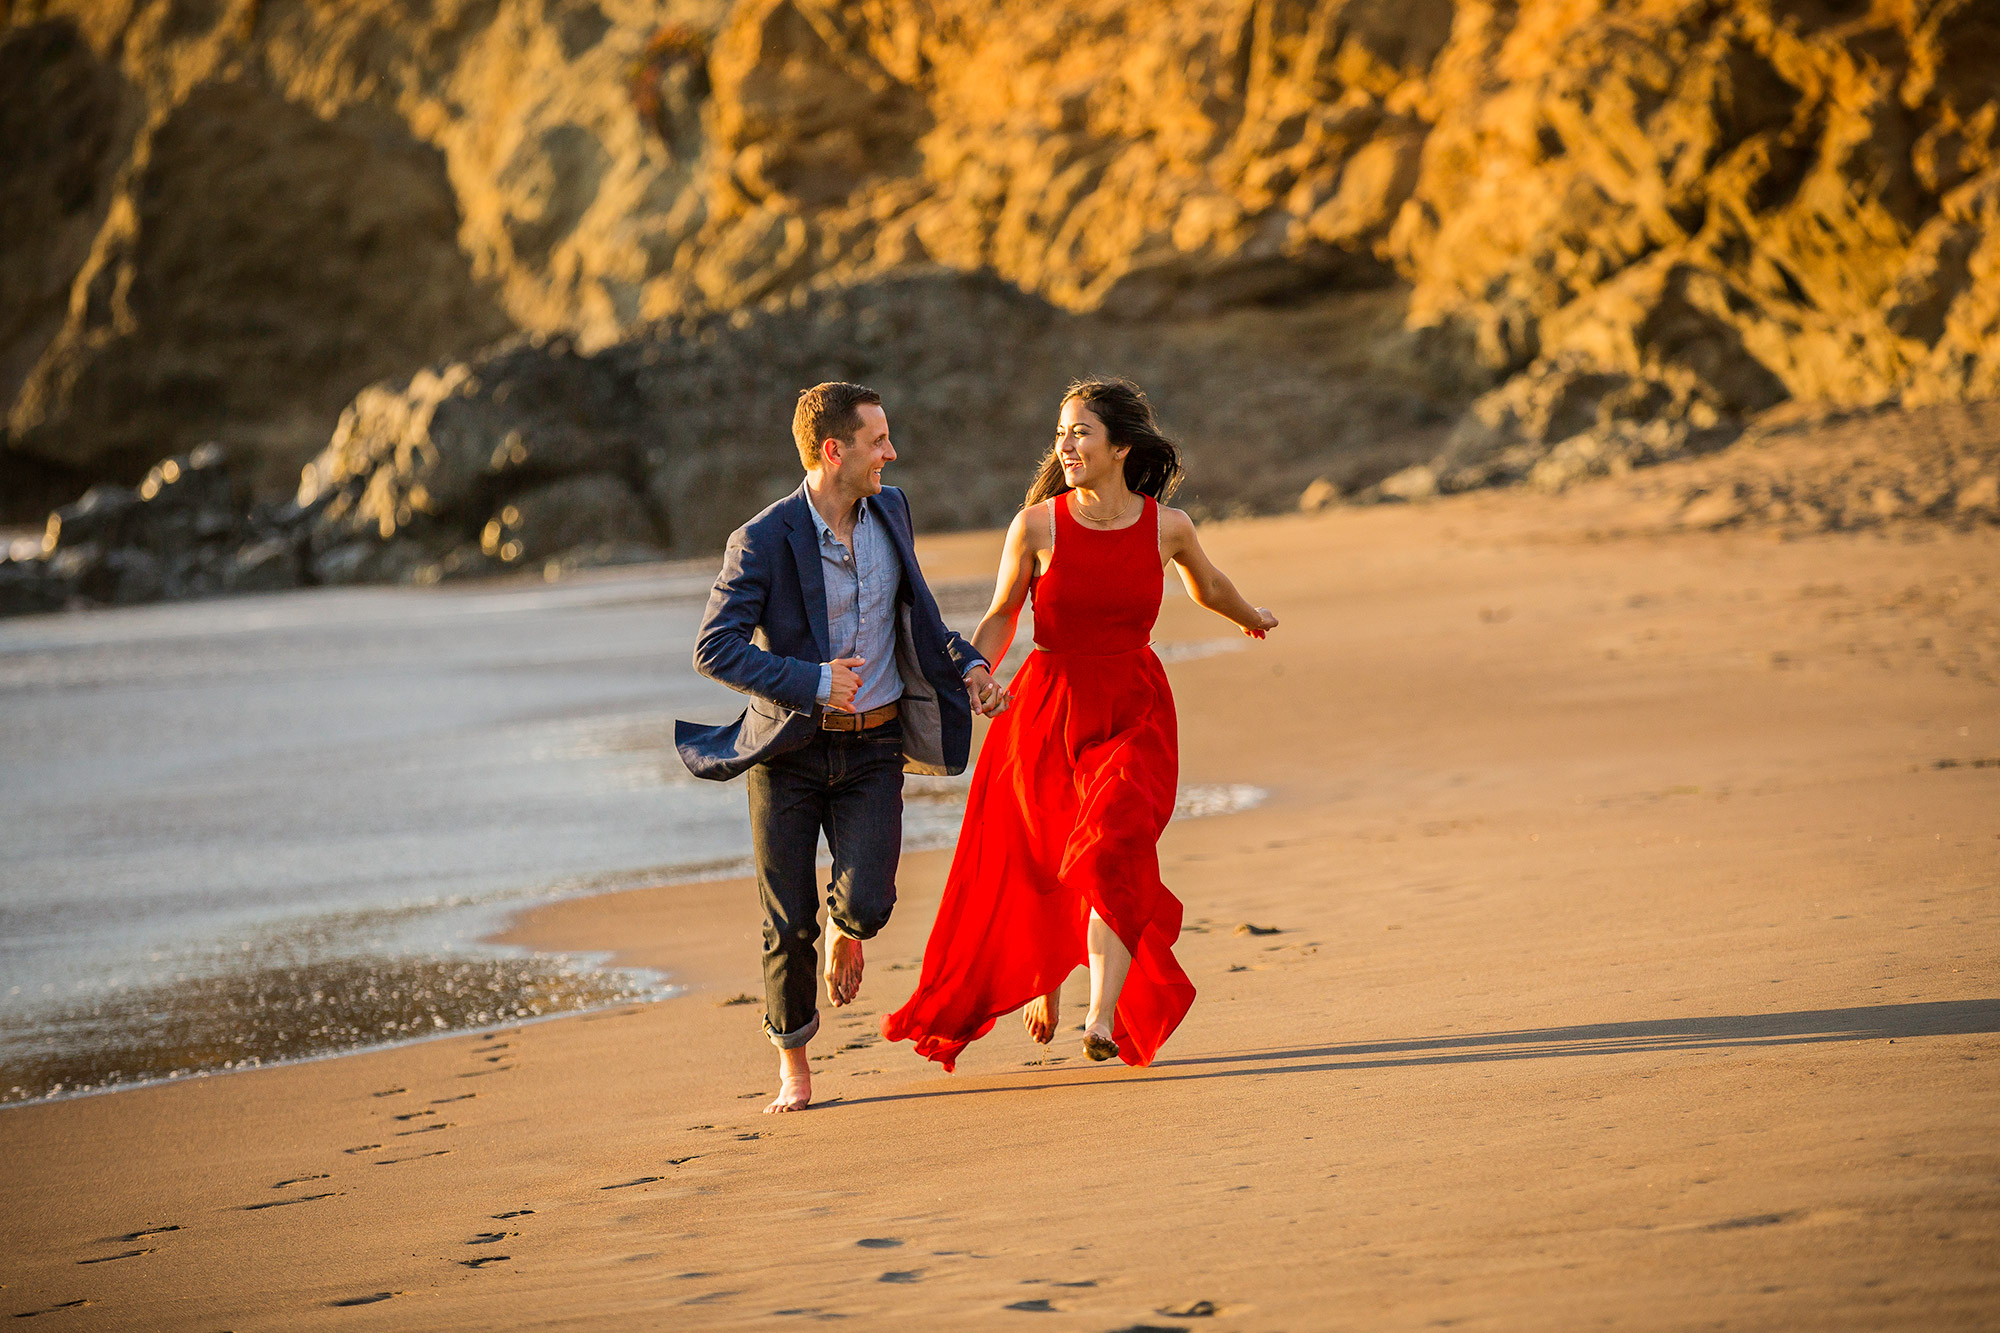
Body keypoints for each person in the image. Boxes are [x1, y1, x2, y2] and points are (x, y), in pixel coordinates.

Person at [882, 377, 1278, 1070]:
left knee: (1113, 845)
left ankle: (1100, 1017)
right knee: (1046, 860)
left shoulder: (1168, 526)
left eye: (1081, 432)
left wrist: (1250, 616)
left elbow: (1208, 586)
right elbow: (1006, 610)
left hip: (1134, 708)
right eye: (1061, 432)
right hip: (1048, 707)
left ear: (1119, 446)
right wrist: (977, 667)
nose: (1065, 444)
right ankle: (1049, 974)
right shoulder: (1037, 524)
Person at [675, 382, 1006, 1113]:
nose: (891, 452)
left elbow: (919, 616)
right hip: (788, 755)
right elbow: (713, 647)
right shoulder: (761, 539)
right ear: (835, 450)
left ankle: (848, 930)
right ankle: (794, 1066)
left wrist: (971, 664)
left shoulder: (892, 509)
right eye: (877, 440)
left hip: (874, 749)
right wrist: (814, 679)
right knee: (786, 920)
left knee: (870, 900)